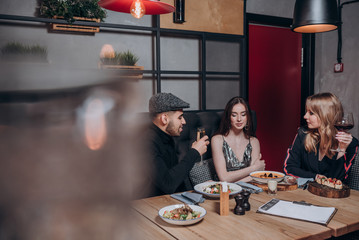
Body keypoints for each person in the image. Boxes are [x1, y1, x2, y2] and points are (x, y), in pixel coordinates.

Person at [284, 92, 358, 181]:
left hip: (332, 194)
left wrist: (342, 150)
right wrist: (315, 176)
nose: (305, 116)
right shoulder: (303, 134)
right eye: (306, 112)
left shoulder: (351, 143)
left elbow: (338, 180)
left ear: (326, 115)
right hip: (304, 191)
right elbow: (289, 168)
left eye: (311, 113)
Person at [147, 93, 209, 197]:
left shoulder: (167, 137)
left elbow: (177, 179)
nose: (184, 121)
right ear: (164, 119)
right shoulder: (147, 143)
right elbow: (168, 184)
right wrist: (195, 152)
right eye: (180, 117)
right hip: (149, 204)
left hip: (171, 200)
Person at [211, 97, 265, 183]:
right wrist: (254, 168)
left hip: (248, 190)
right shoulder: (217, 140)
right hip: (224, 193)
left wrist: (231, 183)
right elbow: (224, 178)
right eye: (234, 115)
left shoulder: (254, 142)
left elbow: (255, 176)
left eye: (243, 114)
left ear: (248, 117)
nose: (239, 119)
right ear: (228, 117)